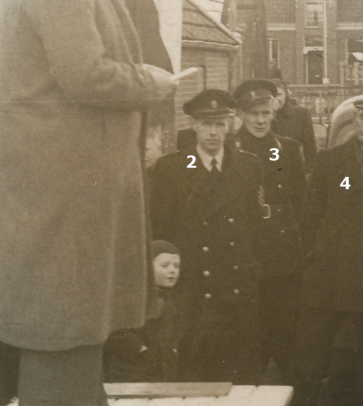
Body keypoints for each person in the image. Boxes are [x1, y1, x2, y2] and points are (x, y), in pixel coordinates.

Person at [0, 0, 178, 406]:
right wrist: (152, 81)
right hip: (66, 189)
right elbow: (85, 74)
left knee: (71, 321)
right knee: (65, 322)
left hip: (65, 185)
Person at [292, 93, 363, 406]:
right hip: (328, 275)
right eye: (362, 118)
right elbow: (310, 215)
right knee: (310, 358)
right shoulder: (330, 160)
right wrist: (317, 254)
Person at [149, 90, 264, 384]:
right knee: (194, 372)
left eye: (221, 124)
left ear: (230, 126)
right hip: (194, 287)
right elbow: (161, 230)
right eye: (206, 124)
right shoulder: (172, 168)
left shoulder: (249, 166)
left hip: (236, 287)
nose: (213, 133)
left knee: (238, 374)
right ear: (194, 127)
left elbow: (254, 226)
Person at [231, 79, 307, 383]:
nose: (260, 120)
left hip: (282, 250)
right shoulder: (229, 148)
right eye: (253, 114)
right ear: (240, 114)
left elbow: (301, 199)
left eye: (265, 113)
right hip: (245, 249)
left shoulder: (286, 149)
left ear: (274, 111)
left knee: (286, 328)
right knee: (249, 333)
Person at [104, 241, 186, 383]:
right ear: (147, 268)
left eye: (176, 266)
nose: (172, 270)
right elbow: (115, 330)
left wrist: (172, 350)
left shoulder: (171, 301)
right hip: (131, 374)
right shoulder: (132, 297)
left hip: (162, 374)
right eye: (165, 266)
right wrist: (140, 350)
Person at [272, 79, 318, 169]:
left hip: (293, 168)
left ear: (286, 95)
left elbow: (310, 148)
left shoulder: (301, 114)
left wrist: (309, 172)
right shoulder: (263, 117)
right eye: (272, 95)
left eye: (279, 94)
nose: (276, 99)